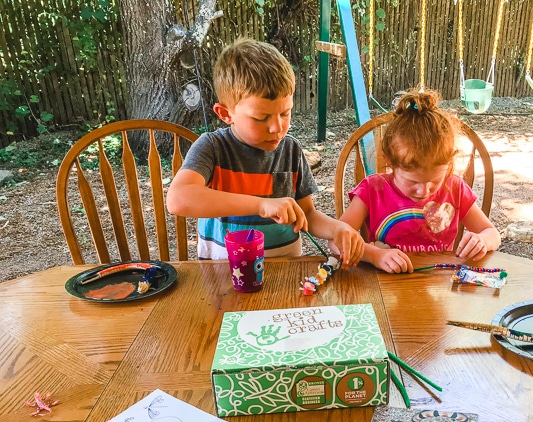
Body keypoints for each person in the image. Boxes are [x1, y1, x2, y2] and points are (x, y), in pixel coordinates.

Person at [166, 38, 363, 267]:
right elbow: (178, 199)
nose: (276, 127)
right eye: (261, 118)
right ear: (225, 114)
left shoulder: (290, 150)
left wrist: (337, 228)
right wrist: (260, 205)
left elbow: (307, 213)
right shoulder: (212, 147)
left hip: (284, 273)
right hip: (223, 277)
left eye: (285, 113)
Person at [335, 88, 501, 273]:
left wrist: (482, 241)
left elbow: (492, 234)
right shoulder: (372, 190)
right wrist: (373, 255)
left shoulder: (454, 189)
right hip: (384, 285)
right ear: (389, 162)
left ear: (449, 165)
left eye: (434, 180)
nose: (424, 191)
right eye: (413, 182)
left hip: (439, 287)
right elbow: (336, 241)